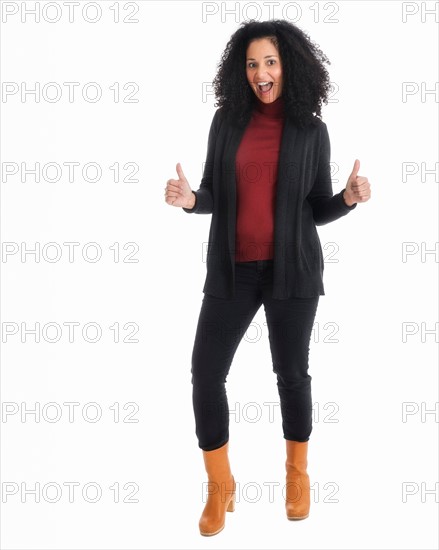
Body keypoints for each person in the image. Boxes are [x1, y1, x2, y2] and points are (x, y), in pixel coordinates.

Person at [165, 19, 371, 536]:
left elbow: (316, 208)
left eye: (270, 62)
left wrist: (347, 199)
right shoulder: (226, 123)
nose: (261, 72)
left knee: (291, 374)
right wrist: (192, 201)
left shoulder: (311, 130)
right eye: (253, 63)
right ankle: (219, 486)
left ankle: (297, 475)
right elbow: (213, 192)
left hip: (293, 271)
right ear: (243, 71)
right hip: (232, 271)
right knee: (205, 374)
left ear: (289, 66)